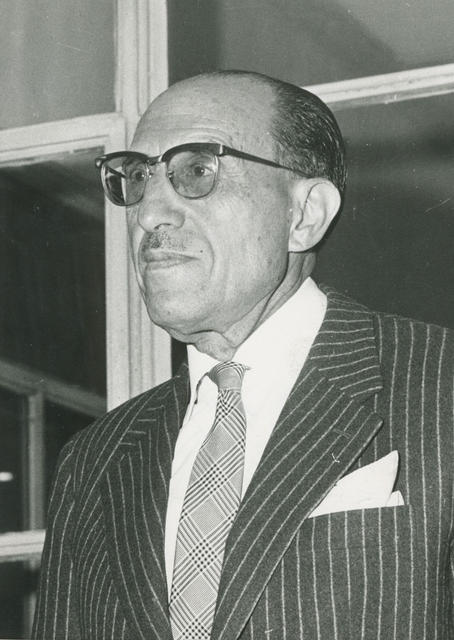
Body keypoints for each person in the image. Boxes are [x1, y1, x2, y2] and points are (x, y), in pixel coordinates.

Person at [32, 71, 454, 640]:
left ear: (304, 214)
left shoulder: (441, 387)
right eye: (137, 178)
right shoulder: (94, 461)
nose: (148, 214)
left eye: (197, 172)